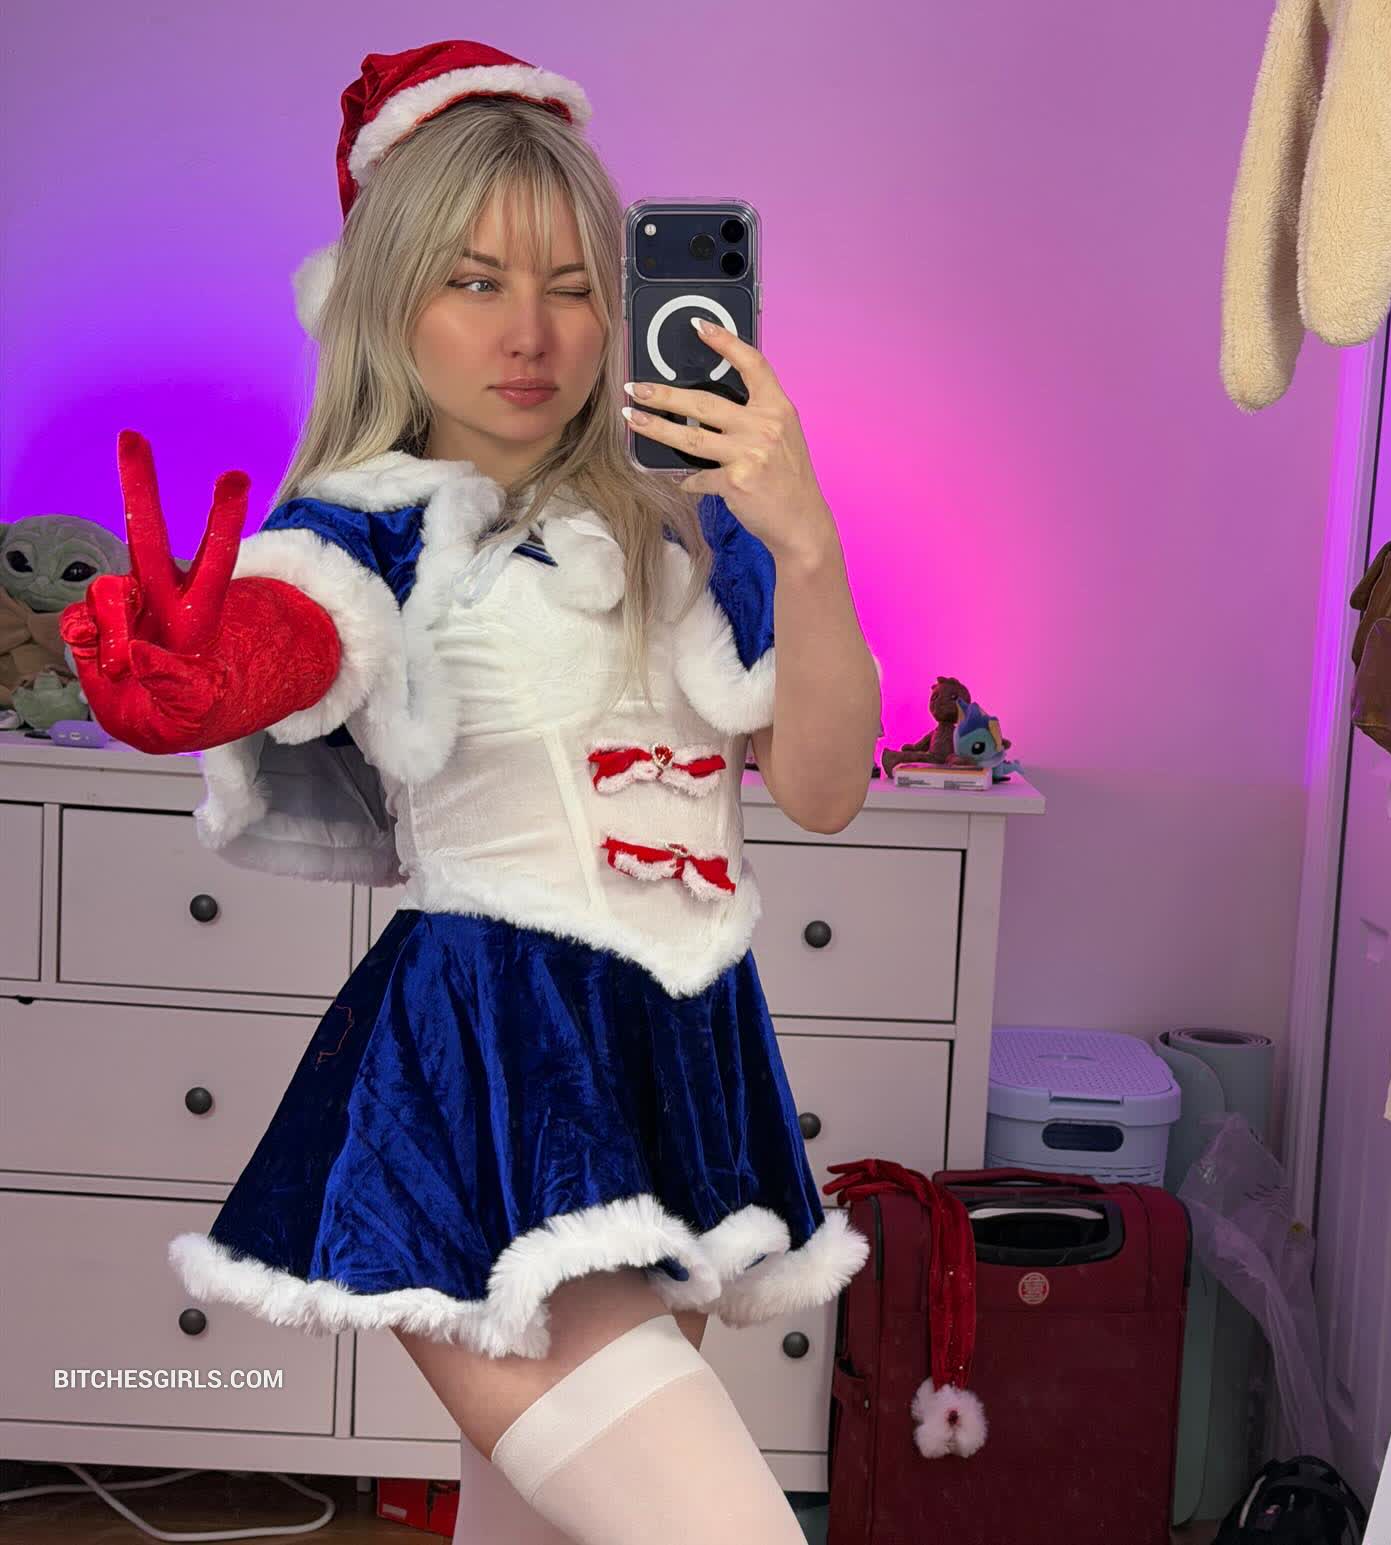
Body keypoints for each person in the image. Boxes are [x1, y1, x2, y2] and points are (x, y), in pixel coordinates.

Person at [60, 38, 882, 1545]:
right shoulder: (365, 526)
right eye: (475, 280)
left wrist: (803, 536)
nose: (532, 333)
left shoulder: (692, 518)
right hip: (483, 1069)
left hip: (673, 1065)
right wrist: (192, 671)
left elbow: (825, 788)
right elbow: (291, 634)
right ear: (389, 298)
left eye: (573, 285)